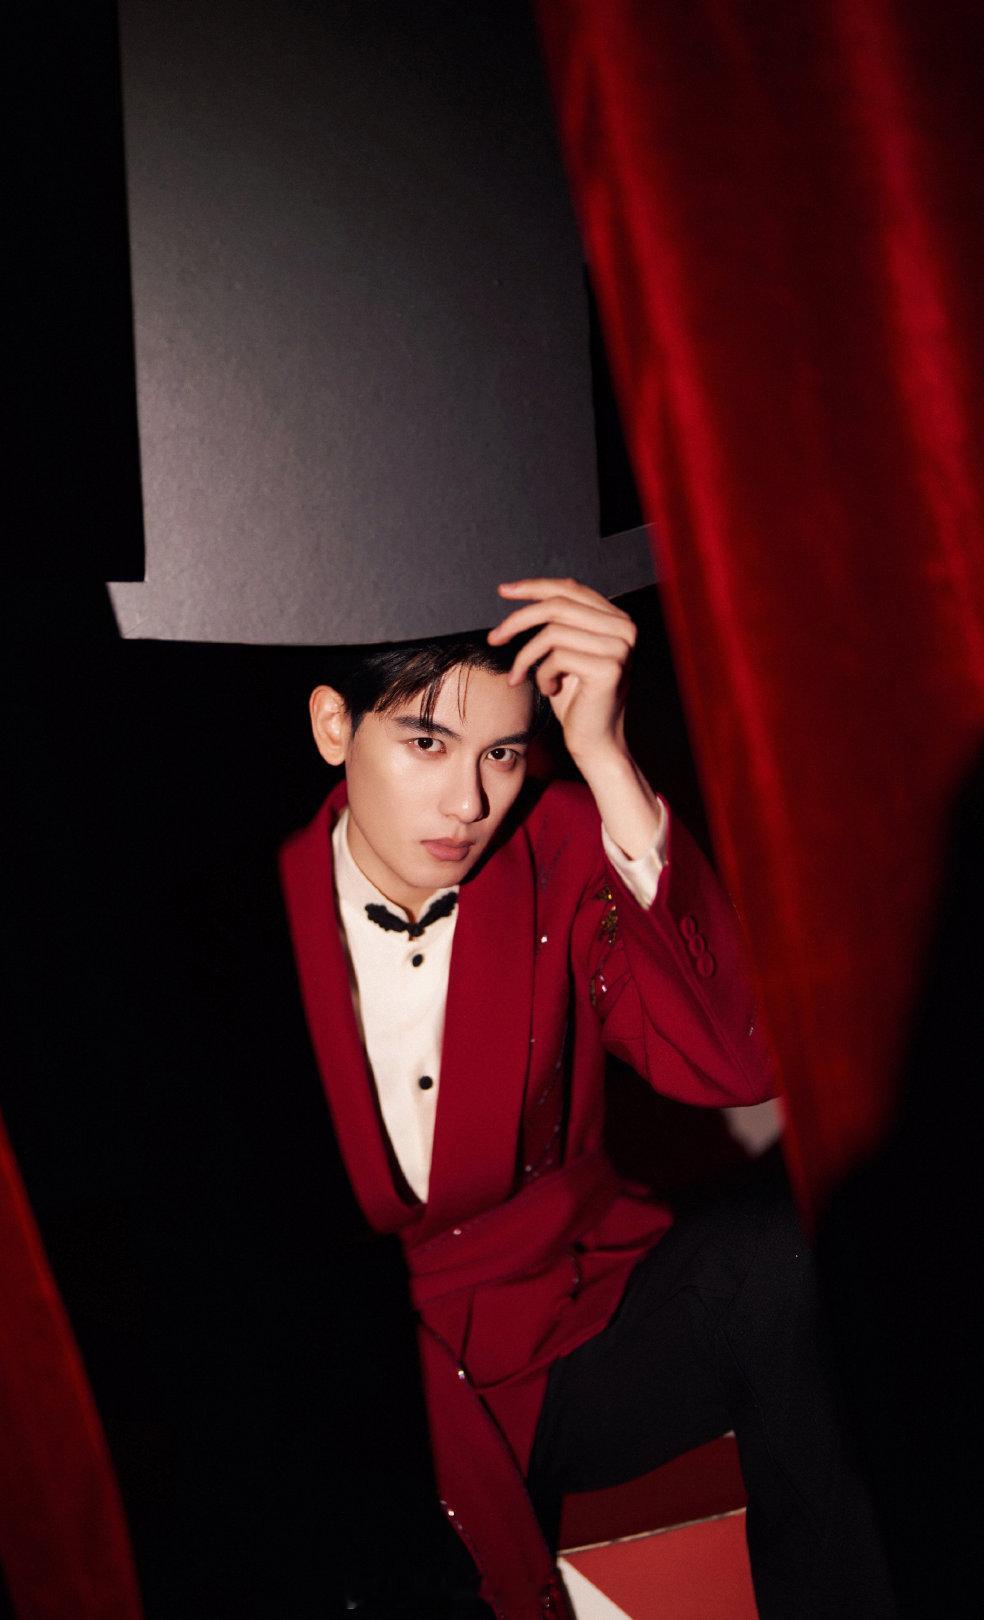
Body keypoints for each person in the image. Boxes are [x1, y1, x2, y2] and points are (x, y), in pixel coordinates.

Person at [279, 577, 895, 1618]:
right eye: (427, 744)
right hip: (373, 1398)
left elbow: (734, 1067)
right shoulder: (241, 910)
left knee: (789, 1252)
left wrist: (607, 759)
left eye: (502, 754)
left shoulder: (557, 841)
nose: (468, 804)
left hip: (566, 1332)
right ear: (335, 726)